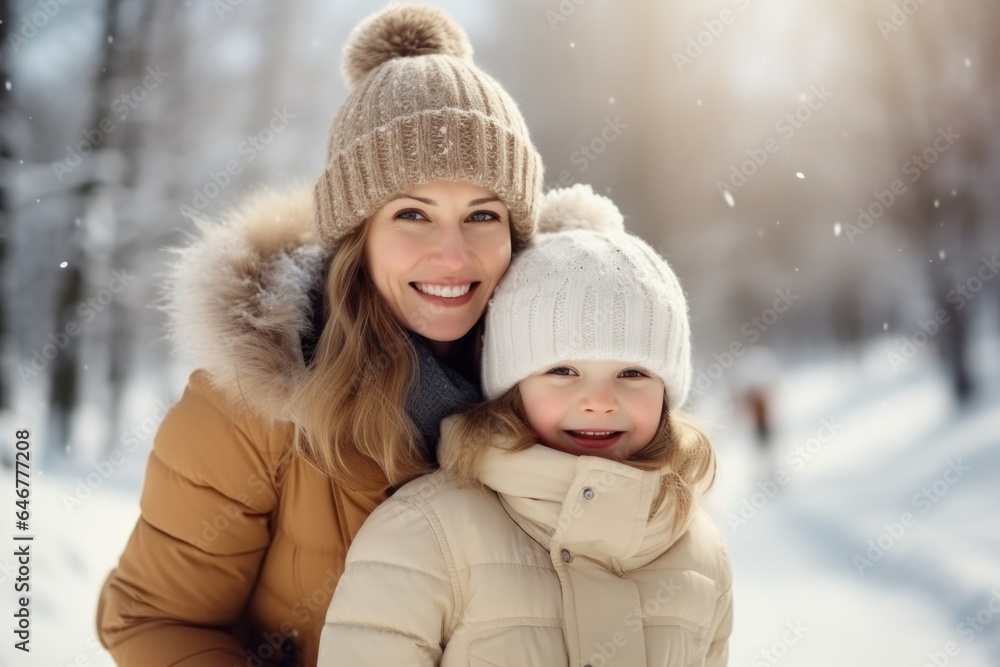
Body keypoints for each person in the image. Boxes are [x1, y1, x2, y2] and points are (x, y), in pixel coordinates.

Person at [94, 5, 543, 666]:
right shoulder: (254, 403)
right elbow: (155, 621)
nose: (454, 255)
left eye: (482, 214)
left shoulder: (563, 391)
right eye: (413, 213)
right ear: (357, 238)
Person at [319, 184, 733, 666]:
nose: (599, 401)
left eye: (633, 373)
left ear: (667, 392)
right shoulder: (424, 534)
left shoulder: (700, 554)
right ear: (511, 388)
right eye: (562, 371)